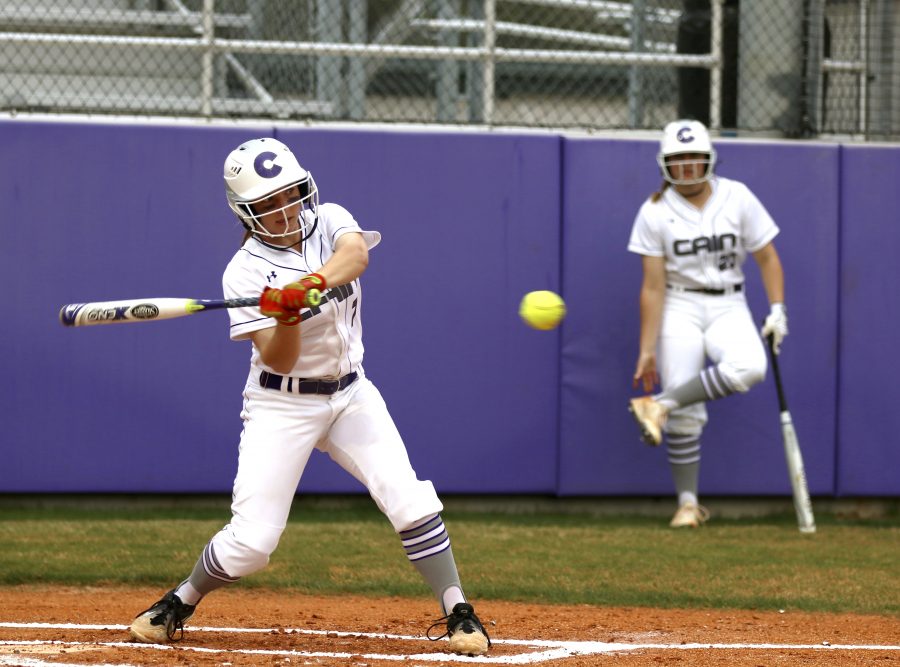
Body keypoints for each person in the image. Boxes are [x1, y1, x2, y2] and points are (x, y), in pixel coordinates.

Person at [128, 137, 490, 656]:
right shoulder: (244, 270)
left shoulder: (331, 219)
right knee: (252, 544)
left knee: (407, 497)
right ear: (246, 213)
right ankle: (179, 601)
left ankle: (458, 611)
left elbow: (356, 254)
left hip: (351, 394)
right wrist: (287, 315)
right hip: (282, 403)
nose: (283, 211)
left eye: (289, 195)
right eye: (267, 205)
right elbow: (278, 358)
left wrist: (308, 284)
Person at [626, 120, 788, 528]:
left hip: (729, 301)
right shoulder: (655, 210)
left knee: (750, 368)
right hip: (679, 305)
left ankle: (657, 405)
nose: (686, 167)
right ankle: (687, 504)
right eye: (677, 160)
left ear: (708, 158)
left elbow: (767, 256)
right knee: (687, 410)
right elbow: (652, 286)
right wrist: (646, 350)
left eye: (693, 158)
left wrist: (777, 309)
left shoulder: (737, 196)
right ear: (665, 164)